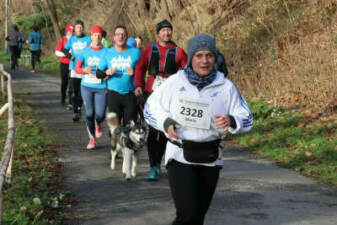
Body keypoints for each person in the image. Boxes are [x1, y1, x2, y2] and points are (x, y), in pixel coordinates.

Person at [144, 34, 253, 225]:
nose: (204, 61)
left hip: (210, 157)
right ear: (191, 58)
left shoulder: (226, 86)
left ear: (215, 57)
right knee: (189, 215)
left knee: (197, 217)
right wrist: (166, 123)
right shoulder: (175, 82)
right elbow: (151, 107)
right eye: (199, 55)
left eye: (209, 55)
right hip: (179, 154)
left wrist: (232, 121)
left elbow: (247, 118)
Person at [134, 19, 187, 180]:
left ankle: (159, 162)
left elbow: (187, 71)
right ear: (158, 33)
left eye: (168, 30)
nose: (166, 33)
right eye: (163, 30)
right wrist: (138, 85)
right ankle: (153, 166)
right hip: (151, 92)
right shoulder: (150, 49)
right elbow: (140, 67)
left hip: (170, 95)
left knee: (165, 130)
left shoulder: (178, 51)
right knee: (152, 130)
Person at [98, 25, 141, 126]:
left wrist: (135, 72)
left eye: (123, 34)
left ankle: (127, 142)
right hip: (113, 94)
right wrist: (106, 73)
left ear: (126, 37)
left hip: (130, 94)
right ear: (114, 38)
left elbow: (144, 70)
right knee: (114, 128)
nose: (120, 37)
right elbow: (98, 74)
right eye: (118, 34)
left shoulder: (136, 52)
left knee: (130, 127)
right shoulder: (108, 53)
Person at [74, 25, 107, 149]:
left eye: (99, 35)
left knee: (100, 114)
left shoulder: (106, 51)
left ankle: (98, 123)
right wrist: (83, 70)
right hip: (86, 86)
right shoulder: (85, 51)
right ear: (91, 36)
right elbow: (76, 68)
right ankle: (92, 139)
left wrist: (107, 74)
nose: (97, 37)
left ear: (101, 37)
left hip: (101, 87)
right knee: (89, 113)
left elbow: (109, 67)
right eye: (95, 35)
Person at [63, 20, 92, 122]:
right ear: (74, 29)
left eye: (81, 27)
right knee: (74, 92)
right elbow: (65, 50)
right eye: (77, 27)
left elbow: (93, 50)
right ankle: (76, 111)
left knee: (81, 92)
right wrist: (69, 56)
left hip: (84, 69)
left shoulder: (88, 39)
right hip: (74, 68)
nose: (79, 29)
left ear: (83, 28)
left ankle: (78, 109)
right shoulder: (71, 40)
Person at [55, 24, 74, 108]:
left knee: (72, 83)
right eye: (70, 31)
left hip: (73, 64)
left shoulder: (76, 40)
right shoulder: (63, 40)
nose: (71, 33)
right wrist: (66, 54)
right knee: (64, 82)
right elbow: (57, 52)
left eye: (72, 31)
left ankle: (71, 100)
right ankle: (63, 97)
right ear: (67, 31)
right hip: (64, 63)